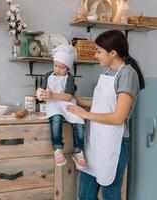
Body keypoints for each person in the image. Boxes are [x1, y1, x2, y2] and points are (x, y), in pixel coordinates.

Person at [67, 29, 145, 200]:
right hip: (96, 141)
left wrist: (85, 115)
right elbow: (103, 105)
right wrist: (77, 101)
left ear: (113, 53)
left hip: (114, 143)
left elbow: (118, 117)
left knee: (110, 194)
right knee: (85, 194)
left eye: (98, 51)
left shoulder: (127, 74)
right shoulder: (108, 71)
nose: (96, 55)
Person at [37, 44, 87, 170]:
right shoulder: (48, 75)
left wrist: (52, 94)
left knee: (79, 122)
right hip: (54, 104)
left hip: (67, 103)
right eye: (55, 66)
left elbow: (69, 96)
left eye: (62, 67)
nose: (58, 69)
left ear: (68, 68)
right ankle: (58, 148)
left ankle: (78, 151)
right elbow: (44, 92)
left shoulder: (69, 78)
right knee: (56, 119)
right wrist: (41, 95)